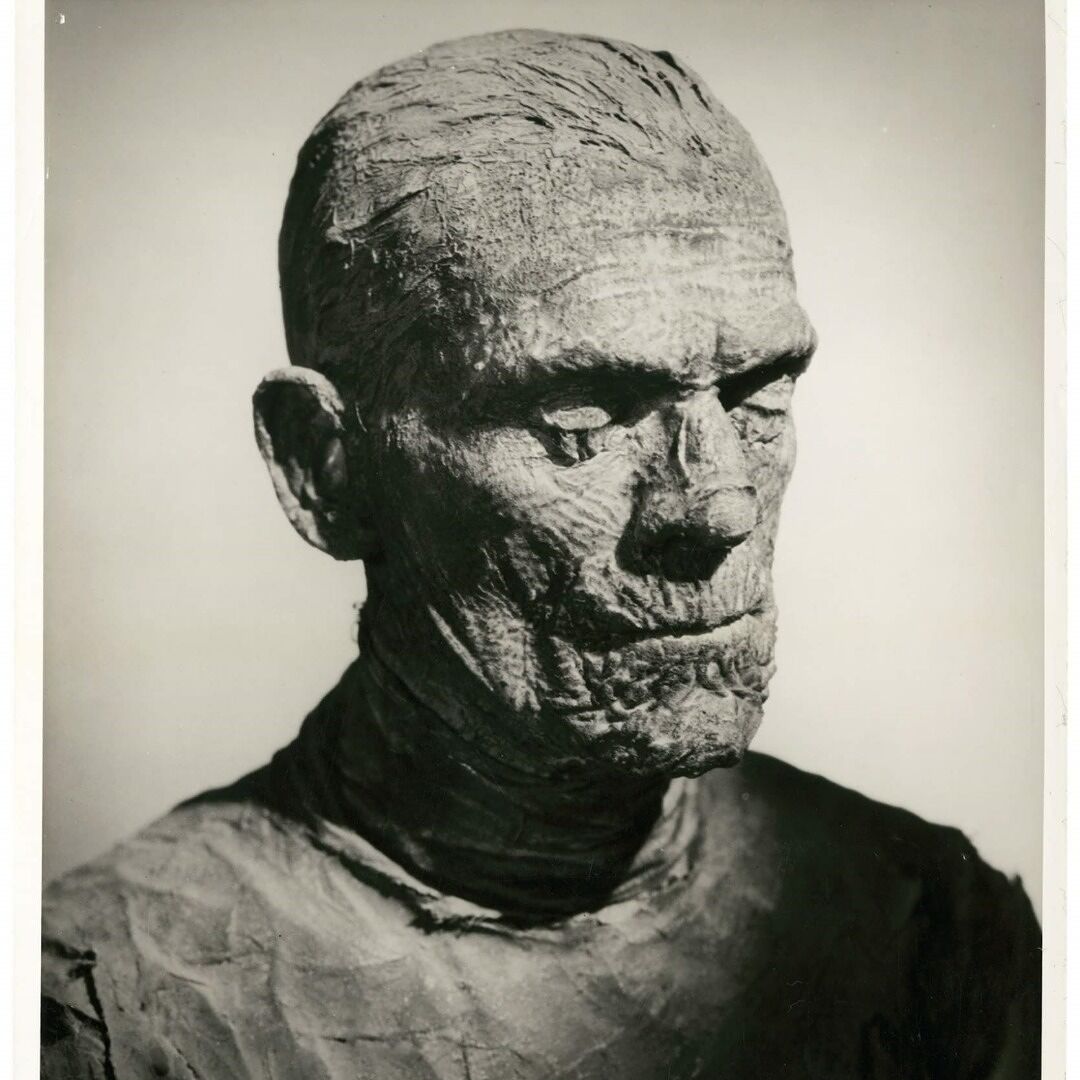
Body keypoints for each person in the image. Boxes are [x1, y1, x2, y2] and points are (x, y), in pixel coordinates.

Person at [41, 30, 1040, 1079]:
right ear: (325, 465)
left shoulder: (935, 935)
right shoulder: (103, 1018)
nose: (718, 504)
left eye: (758, 398)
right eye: (582, 421)